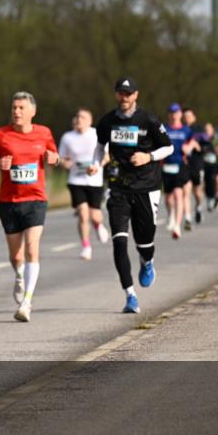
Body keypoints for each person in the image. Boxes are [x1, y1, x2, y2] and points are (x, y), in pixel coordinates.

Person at [91, 77, 173, 314]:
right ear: (116, 95)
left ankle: (147, 261)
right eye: (120, 93)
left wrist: (149, 157)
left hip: (147, 187)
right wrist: (96, 164)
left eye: (128, 93)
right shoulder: (107, 121)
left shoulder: (148, 119)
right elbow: (100, 147)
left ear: (136, 95)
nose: (124, 97)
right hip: (118, 188)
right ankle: (130, 296)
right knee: (119, 242)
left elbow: (168, 147)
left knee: (144, 241)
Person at [0, 92, 60, 323]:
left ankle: (27, 302)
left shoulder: (44, 133)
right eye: (14, 107)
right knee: (16, 256)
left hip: (35, 199)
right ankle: (19, 276)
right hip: (9, 202)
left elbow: (54, 156)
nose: (16, 111)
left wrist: (54, 159)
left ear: (32, 112)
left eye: (21, 108)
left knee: (32, 249)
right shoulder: (1, 135)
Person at [58, 108, 109, 260]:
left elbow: (108, 155)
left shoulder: (97, 134)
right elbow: (61, 158)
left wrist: (98, 166)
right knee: (82, 213)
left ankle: (98, 225)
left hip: (95, 181)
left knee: (95, 214)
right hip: (76, 181)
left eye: (83, 117)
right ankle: (86, 246)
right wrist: (65, 164)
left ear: (90, 121)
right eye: (77, 116)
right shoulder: (67, 137)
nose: (79, 119)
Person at [162, 103, 195, 240]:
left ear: (180, 114)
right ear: (169, 115)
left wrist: (189, 147)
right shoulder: (164, 129)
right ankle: (171, 214)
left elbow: (192, 142)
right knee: (168, 198)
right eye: (171, 112)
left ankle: (177, 225)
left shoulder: (186, 130)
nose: (174, 115)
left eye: (176, 112)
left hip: (180, 164)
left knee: (178, 194)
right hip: (166, 164)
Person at [183, 108, 208, 223]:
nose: (187, 118)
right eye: (185, 116)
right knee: (186, 191)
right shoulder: (181, 130)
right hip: (184, 165)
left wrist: (197, 146)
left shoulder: (200, 130)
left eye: (189, 116)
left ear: (194, 117)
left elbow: (206, 147)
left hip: (197, 164)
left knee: (197, 192)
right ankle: (188, 217)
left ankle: (198, 207)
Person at [199, 122, 218, 212]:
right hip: (204, 164)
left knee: (212, 182)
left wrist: (215, 148)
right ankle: (209, 198)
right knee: (204, 183)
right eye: (205, 130)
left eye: (208, 130)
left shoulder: (215, 139)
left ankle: (212, 198)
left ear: (212, 130)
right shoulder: (201, 140)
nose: (207, 131)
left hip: (214, 164)